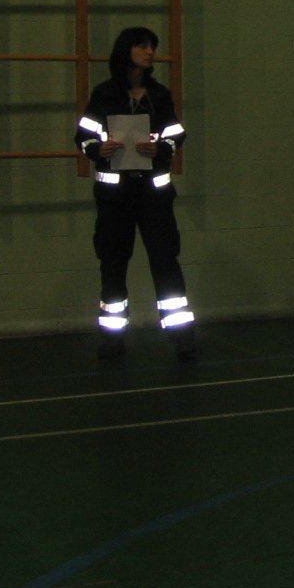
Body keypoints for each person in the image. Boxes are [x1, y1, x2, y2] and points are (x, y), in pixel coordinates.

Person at [74, 27, 196, 360]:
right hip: (115, 200)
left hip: (154, 197)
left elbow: (176, 132)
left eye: (152, 47)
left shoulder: (159, 94)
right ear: (126, 50)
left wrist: (161, 147)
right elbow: (83, 136)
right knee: (113, 265)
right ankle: (112, 338)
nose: (149, 52)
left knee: (166, 262)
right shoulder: (104, 95)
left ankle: (182, 337)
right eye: (142, 46)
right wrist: (100, 148)